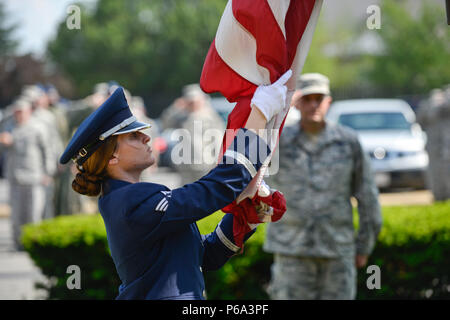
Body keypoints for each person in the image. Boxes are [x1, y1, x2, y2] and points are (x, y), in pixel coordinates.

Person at [59, 70, 291, 300]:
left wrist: (245, 218)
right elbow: (214, 189)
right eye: (132, 136)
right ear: (111, 157)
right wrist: (259, 115)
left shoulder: (129, 198)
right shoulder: (130, 201)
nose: (146, 137)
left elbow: (204, 256)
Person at [263, 73, 382, 300]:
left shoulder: (348, 142)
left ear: (329, 101)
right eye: (307, 99)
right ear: (296, 103)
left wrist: (364, 247)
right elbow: (254, 181)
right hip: (292, 252)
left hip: (337, 251)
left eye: (319, 98)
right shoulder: (278, 142)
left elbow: (368, 197)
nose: (313, 105)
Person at [0, 99, 55, 250]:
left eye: (22, 112)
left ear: (28, 112)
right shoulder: (8, 127)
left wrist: (48, 172)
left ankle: (34, 244)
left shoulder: (37, 128)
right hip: (14, 177)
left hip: (34, 176)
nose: (19, 115)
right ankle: (18, 244)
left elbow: (47, 151)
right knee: (17, 215)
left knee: (34, 213)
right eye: (16, 112)